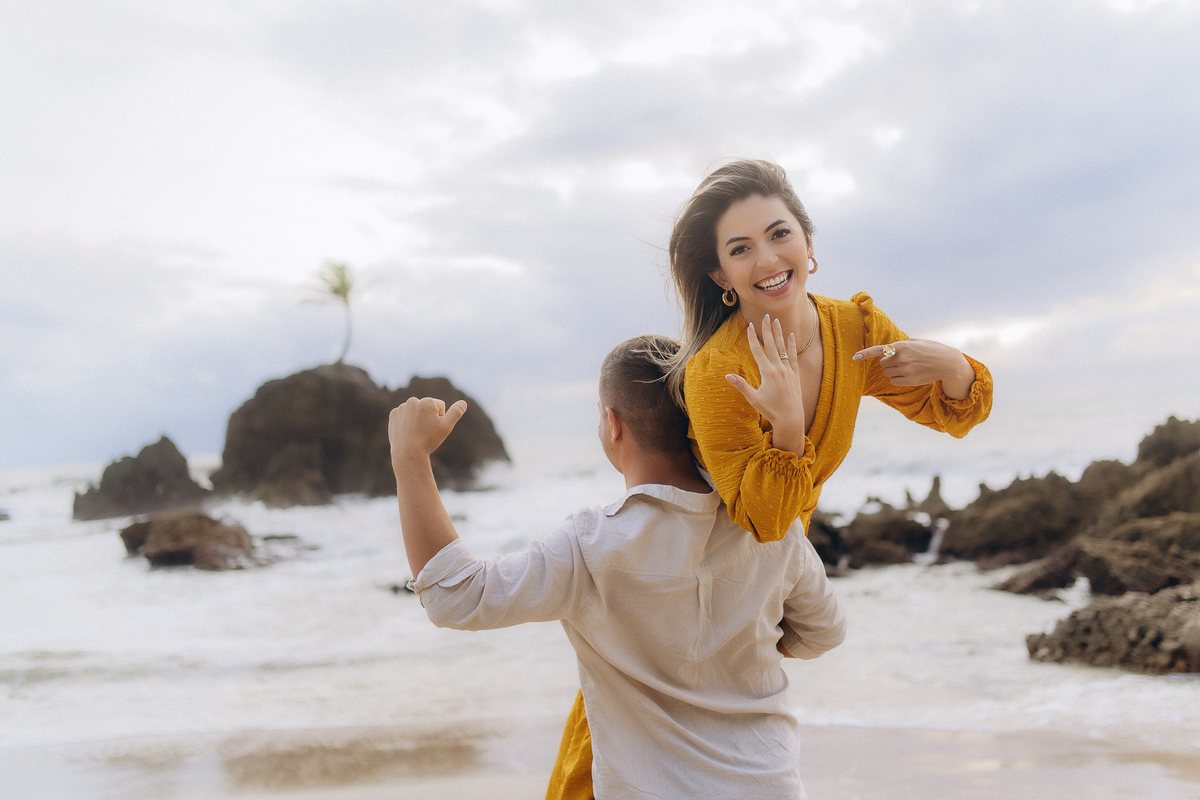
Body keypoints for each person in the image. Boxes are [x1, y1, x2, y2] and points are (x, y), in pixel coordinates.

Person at [547, 159, 994, 798]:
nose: (767, 258)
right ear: (721, 276)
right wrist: (789, 427)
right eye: (741, 248)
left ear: (809, 244)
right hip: (689, 571)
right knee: (617, 749)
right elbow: (760, 513)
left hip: (759, 578)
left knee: (722, 755)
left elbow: (956, 412)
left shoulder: (852, 330)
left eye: (780, 234)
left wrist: (952, 365)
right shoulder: (716, 371)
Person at [390, 335, 846, 800]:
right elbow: (824, 632)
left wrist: (410, 458)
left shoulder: (594, 545)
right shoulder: (772, 529)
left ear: (612, 423)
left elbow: (456, 596)